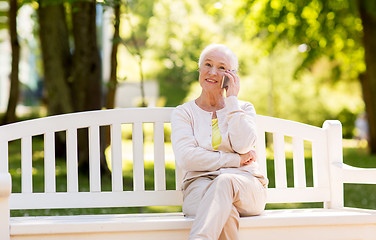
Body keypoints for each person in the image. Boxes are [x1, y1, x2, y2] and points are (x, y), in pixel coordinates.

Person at [171, 43, 268, 240]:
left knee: (224, 182)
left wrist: (232, 101)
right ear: (199, 69)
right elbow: (187, 159)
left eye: (222, 68)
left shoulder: (244, 109)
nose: (213, 72)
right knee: (225, 212)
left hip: (245, 187)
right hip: (199, 187)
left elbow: (243, 146)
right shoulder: (183, 113)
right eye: (207, 64)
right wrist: (235, 160)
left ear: (232, 76)